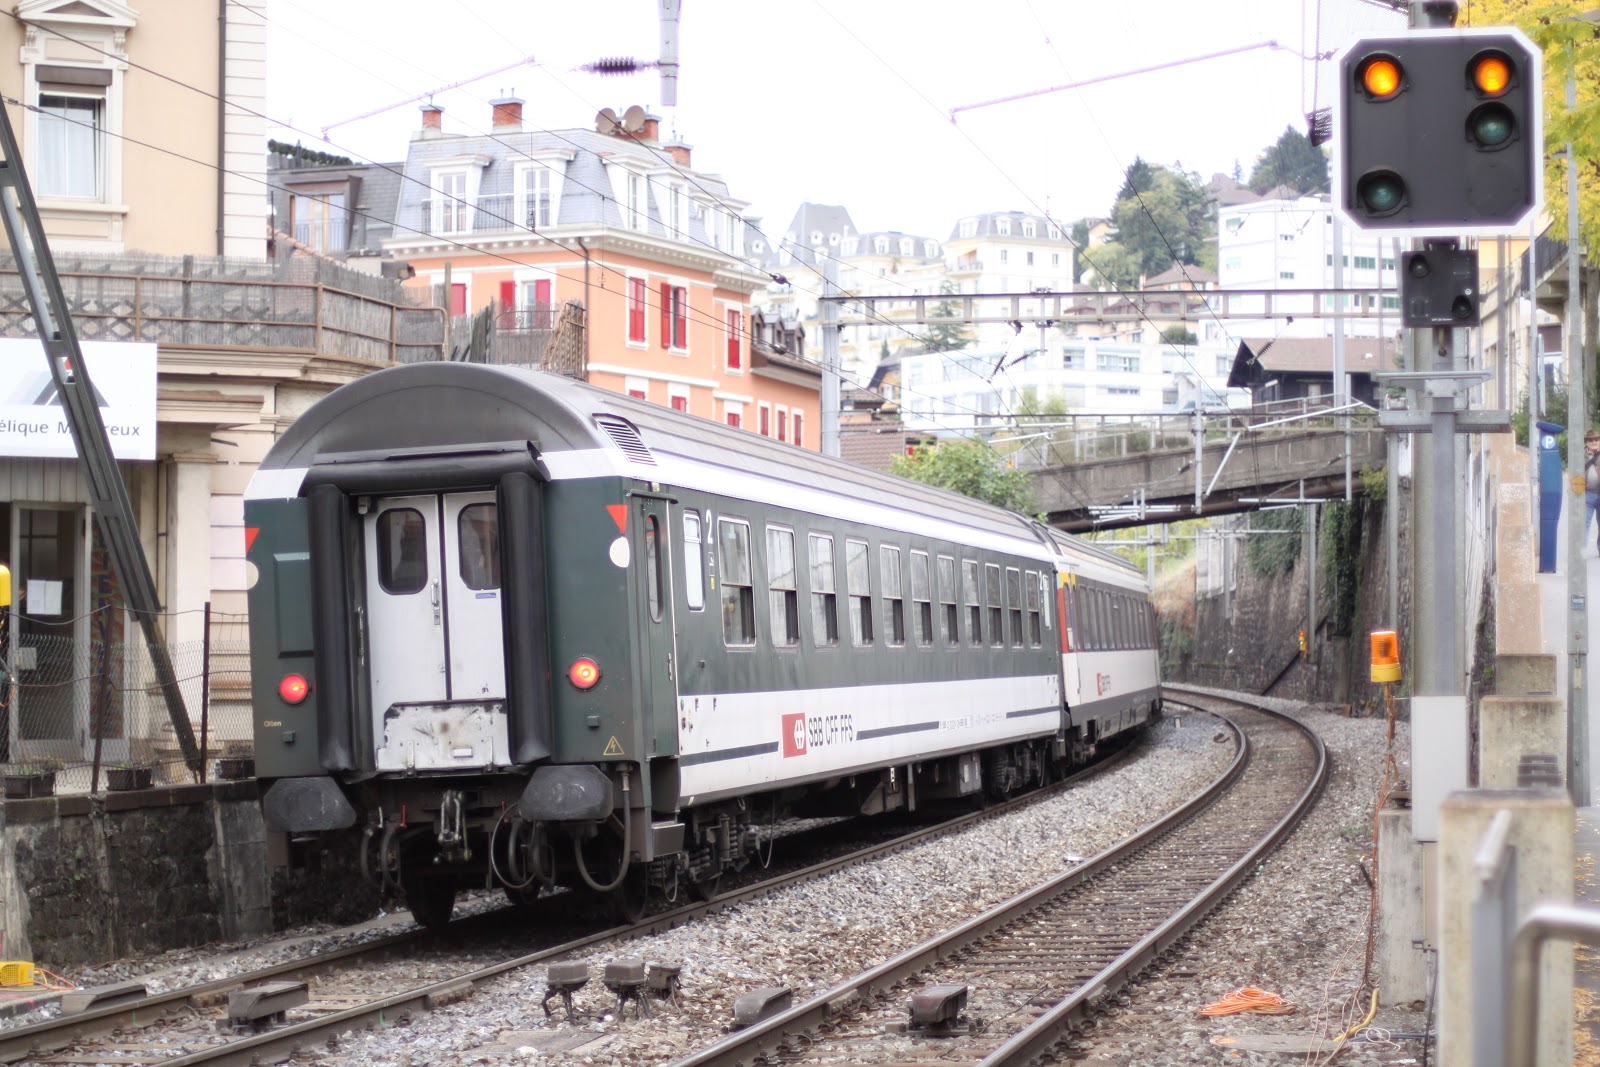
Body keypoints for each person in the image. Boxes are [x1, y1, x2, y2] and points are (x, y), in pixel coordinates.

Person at [1586, 430, 1600, 554]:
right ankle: (1582, 550)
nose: (1594, 442)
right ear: (1587, 442)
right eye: (1591, 440)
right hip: (1587, 495)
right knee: (1584, 524)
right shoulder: (1582, 456)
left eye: (1596, 439)